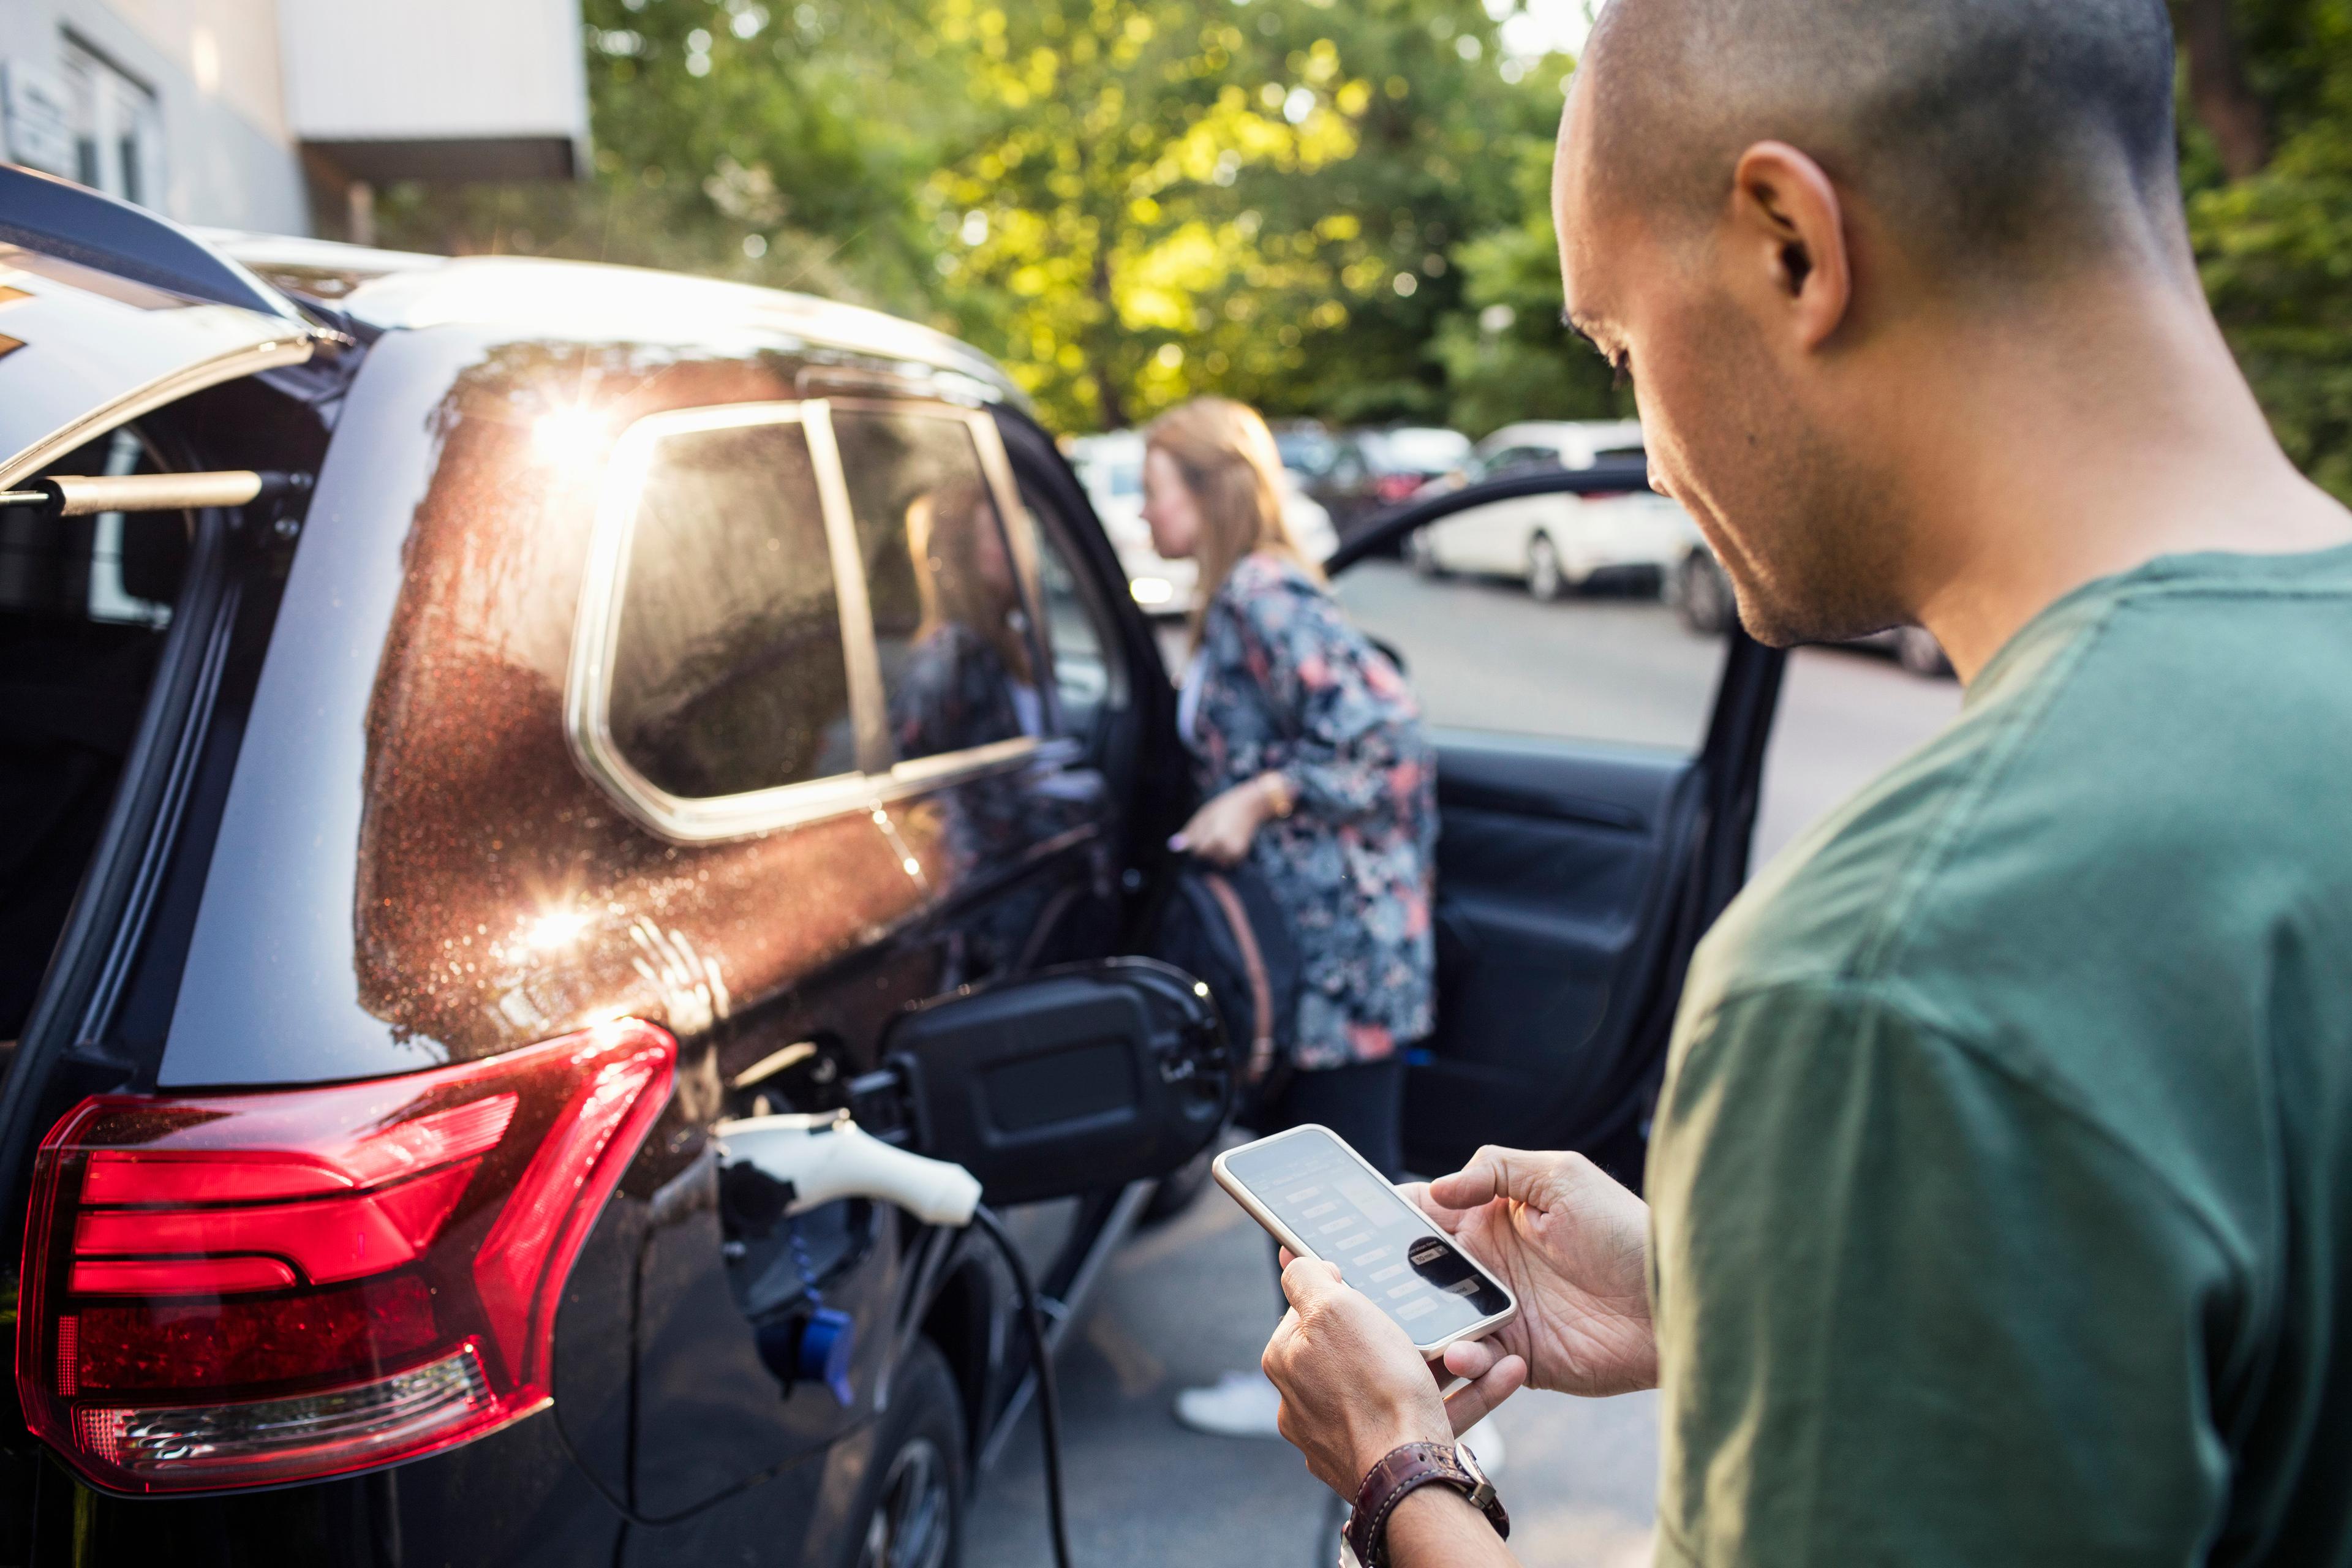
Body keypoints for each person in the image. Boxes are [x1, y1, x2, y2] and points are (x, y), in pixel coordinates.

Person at [1258, 1, 2352, 1564]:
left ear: (1792, 243)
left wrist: (1400, 1479)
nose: (1643, 453)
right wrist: (1726, 1287)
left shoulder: (1894, 980)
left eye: (1623, 346)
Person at [1143, 398, 1443, 1442]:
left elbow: (1389, 741)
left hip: (1342, 953)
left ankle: (1435, 1406)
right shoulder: (1238, 598)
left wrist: (1259, 796)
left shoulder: (1263, 595)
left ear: (1209, 489)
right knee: (1307, 1190)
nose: (1143, 513)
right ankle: (1315, 1390)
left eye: (1155, 489)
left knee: (1349, 1188)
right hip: (1301, 954)